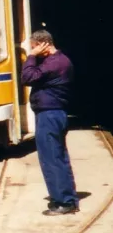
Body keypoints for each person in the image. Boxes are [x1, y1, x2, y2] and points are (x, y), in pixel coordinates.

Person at [20, 29, 78, 216]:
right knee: (58, 157)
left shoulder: (54, 63)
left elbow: (27, 77)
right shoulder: (59, 60)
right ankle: (64, 197)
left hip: (49, 115)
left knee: (52, 159)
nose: (33, 51)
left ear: (43, 44)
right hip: (53, 114)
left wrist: (30, 56)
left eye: (34, 47)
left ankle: (64, 202)